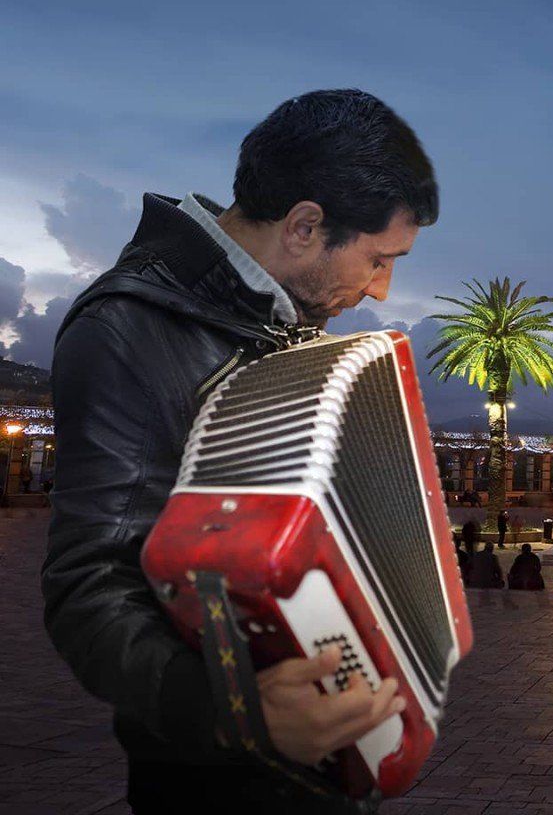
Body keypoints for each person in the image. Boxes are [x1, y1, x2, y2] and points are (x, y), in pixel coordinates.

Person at [41, 90, 438, 814]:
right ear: (305, 225)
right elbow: (88, 585)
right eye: (378, 260)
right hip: (209, 784)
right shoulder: (128, 329)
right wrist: (234, 709)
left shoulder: (293, 324)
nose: (382, 289)